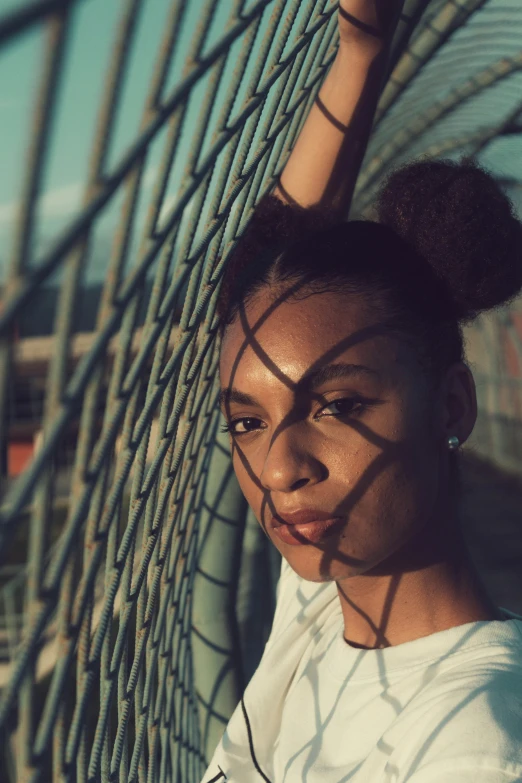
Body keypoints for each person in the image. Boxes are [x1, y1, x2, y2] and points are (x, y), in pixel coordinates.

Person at [200, 1, 522, 781]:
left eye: (337, 405)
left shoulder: (474, 743)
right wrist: (360, 54)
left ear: (451, 406)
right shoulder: (326, 598)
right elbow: (276, 271)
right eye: (246, 420)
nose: (279, 469)